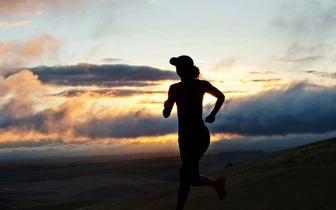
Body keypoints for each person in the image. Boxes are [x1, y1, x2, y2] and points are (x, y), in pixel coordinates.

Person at [163, 55, 226, 210]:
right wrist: (167, 105)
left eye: (180, 67)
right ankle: (216, 184)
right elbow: (166, 114)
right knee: (193, 179)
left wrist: (212, 115)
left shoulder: (201, 85)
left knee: (184, 173)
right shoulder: (174, 88)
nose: (177, 70)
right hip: (183, 137)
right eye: (176, 67)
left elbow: (220, 96)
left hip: (199, 135)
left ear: (188, 69)